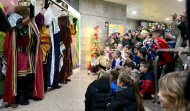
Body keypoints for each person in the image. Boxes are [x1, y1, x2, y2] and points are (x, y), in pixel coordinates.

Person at [3, 4, 44, 105]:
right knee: (21, 77)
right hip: (20, 54)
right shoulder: (17, 22)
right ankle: (20, 96)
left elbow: (34, 37)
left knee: (30, 75)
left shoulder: (31, 24)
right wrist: (30, 17)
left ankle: (28, 93)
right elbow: (21, 28)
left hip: (30, 54)